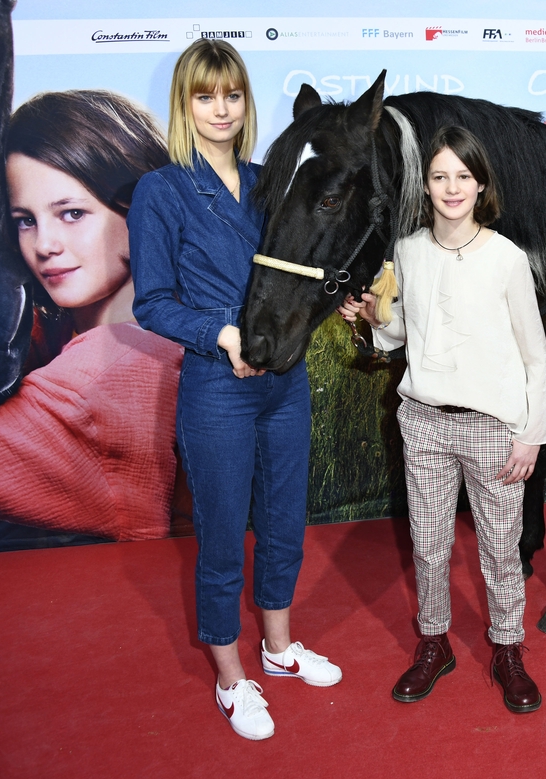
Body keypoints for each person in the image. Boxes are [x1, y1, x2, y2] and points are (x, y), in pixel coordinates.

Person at [128, 38, 340, 742]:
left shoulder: (268, 181)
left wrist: (331, 301)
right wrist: (221, 334)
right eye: (205, 95)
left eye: (233, 94)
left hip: (285, 381)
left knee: (284, 521)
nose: (221, 108)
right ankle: (229, 675)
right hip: (217, 387)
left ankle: (278, 650)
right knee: (222, 538)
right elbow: (152, 302)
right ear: (186, 106)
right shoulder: (161, 191)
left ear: (246, 103)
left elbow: (295, 273)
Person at [339, 126, 546, 713]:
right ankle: (434, 644)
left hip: (495, 427)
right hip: (425, 420)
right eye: (440, 177)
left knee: (500, 550)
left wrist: (532, 435)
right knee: (428, 546)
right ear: (426, 186)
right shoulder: (406, 252)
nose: (451, 187)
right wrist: (372, 318)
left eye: (463, 176)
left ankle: (508, 649)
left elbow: (536, 354)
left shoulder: (508, 258)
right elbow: (404, 333)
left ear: (481, 185)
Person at [0, 89, 185, 544]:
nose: (44, 245)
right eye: (24, 220)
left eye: (71, 213)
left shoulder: (120, 366)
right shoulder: (68, 326)